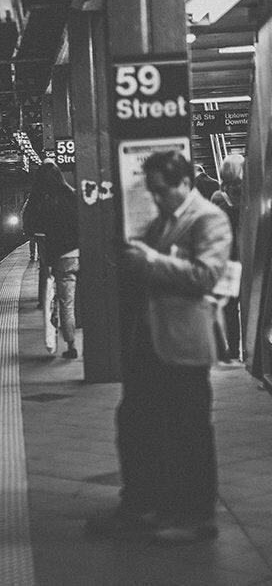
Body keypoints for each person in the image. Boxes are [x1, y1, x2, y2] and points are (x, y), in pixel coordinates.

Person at [88, 151, 231, 545]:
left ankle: (198, 516)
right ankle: (144, 504)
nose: (156, 198)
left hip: (184, 342)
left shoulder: (209, 219)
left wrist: (148, 259)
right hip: (151, 341)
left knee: (191, 430)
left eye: (162, 190)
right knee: (137, 423)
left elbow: (206, 275)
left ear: (184, 182)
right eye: (151, 191)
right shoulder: (164, 220)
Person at [25, 160, 80, 358]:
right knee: (69, 300)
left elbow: (30, 227)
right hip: (79, 254)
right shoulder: (72, 194)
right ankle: (72, 338)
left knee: (64, 301)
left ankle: (71, 345)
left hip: (58, 257)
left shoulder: (41, 202)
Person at [211, 154, 244, 362]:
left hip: (227, 259)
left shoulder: (218, 198)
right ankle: (254, 348)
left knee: (229, 307)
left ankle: (232, 350)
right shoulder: (252, 195)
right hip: (248, 258)